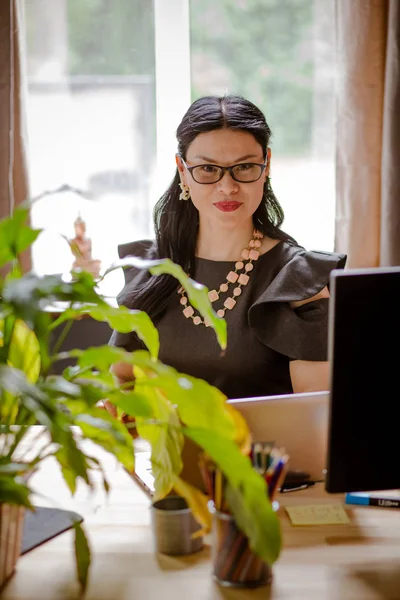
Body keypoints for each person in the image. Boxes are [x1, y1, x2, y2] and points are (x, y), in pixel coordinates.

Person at [108, 94, 346, 400]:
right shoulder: (150, 267)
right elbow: (122, 386)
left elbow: (312, 413)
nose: (227, 187)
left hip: (262, 448)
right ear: (183, 169)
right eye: (208, 169)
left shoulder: (299, 279)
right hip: (167, 447)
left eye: (244, 167)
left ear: (266, 165)